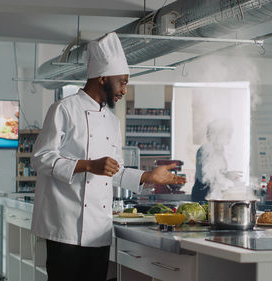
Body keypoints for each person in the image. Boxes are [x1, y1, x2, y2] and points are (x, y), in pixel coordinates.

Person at [30, 32, 185, 281]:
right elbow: (40, 158)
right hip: (65, 228)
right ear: (102, 77)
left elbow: (115, 170)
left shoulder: (112, 122)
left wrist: (149, 176)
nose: (125, 90)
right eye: (122, 82)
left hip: (98, 230)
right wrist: (88, 165)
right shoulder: (64, 109)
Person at [191, 119, 233, 202]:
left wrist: (228, 175)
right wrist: (225, 178)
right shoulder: (205, 149)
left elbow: (218, 173)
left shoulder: (220, 150)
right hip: (203, 193)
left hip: (214, 192)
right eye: (227, 134)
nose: (230, 137)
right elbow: (205, 176)